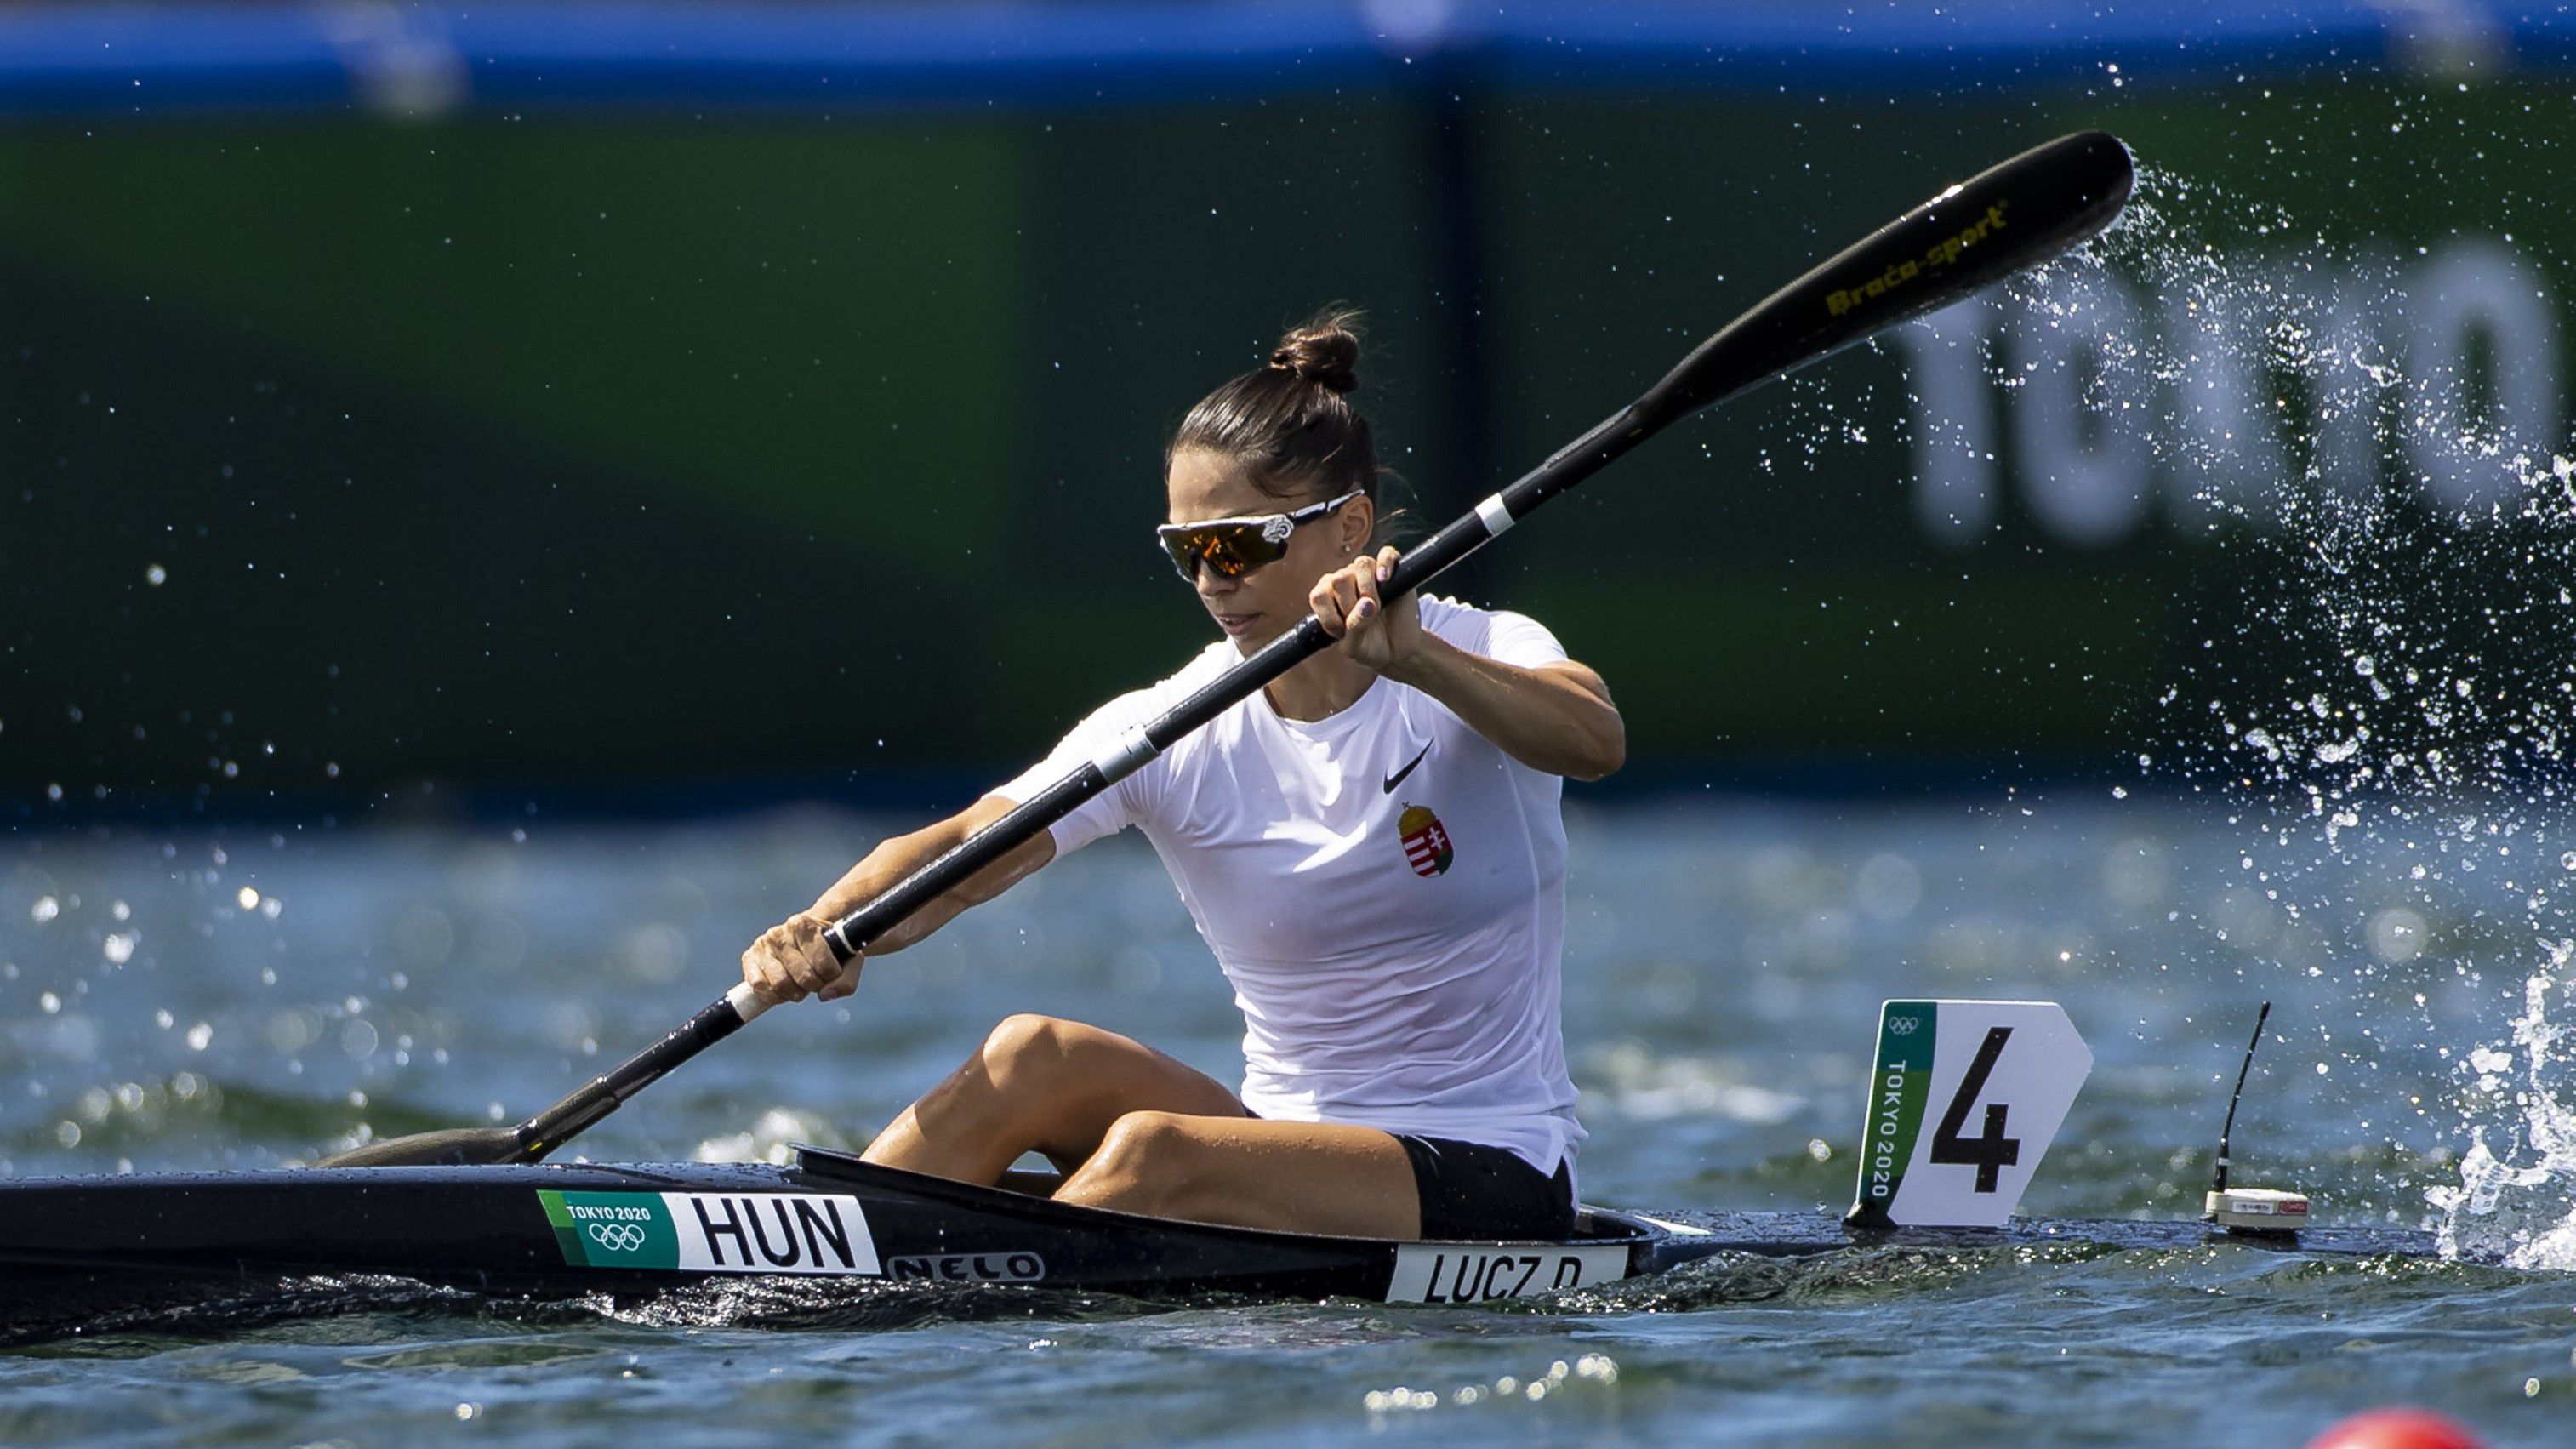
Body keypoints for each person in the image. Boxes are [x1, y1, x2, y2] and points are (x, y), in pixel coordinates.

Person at [739, 310, 1623, 1241]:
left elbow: (1593, 738)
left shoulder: (1479, 647)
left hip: (1488, 1165)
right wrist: (829, 928)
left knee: (1155, 1153)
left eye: (1235, 543)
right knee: (1030, 1053)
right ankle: (817, 1252)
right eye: (1185, 550)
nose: (1211, 581)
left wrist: (1420, 662)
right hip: (1279, 1151)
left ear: (1348, 527)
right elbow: (969, 844)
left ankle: (955, 1279)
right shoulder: (1172, 723)